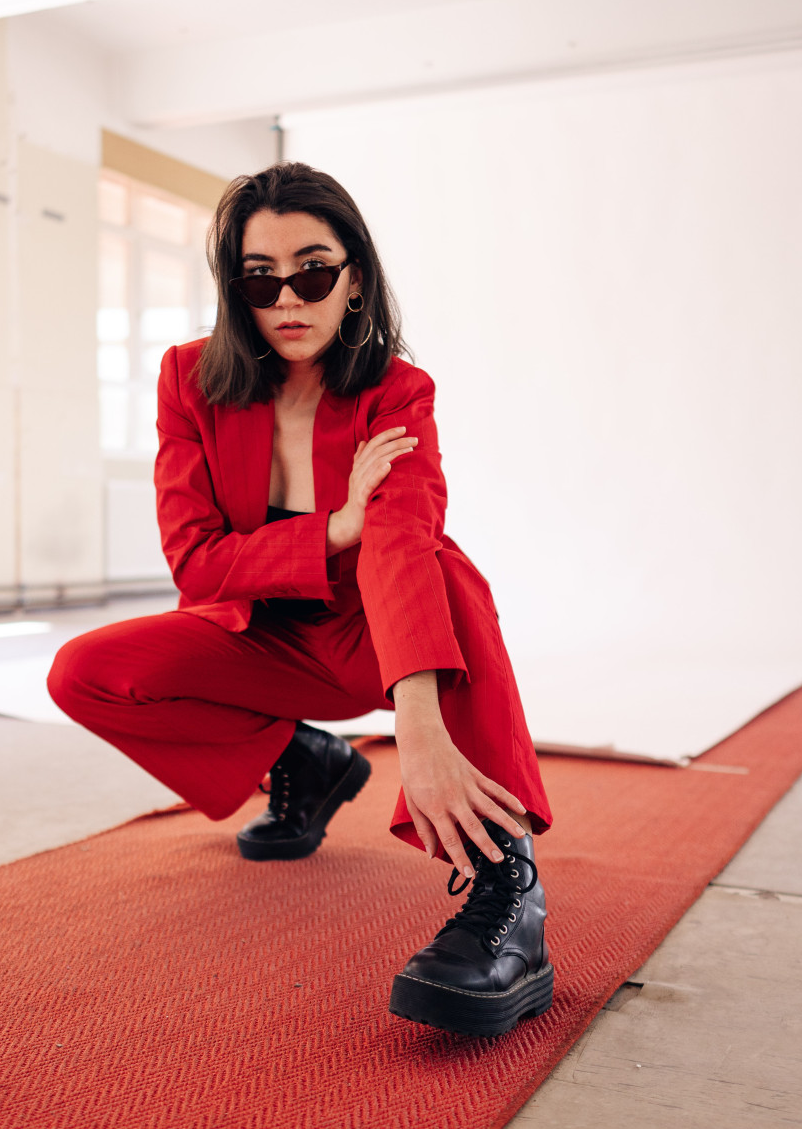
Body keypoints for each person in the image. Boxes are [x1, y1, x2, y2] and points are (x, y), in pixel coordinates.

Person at [48, 161, 554, 1039]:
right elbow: (195, 562)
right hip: (264, 644)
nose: (288, 299)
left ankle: (511, 889)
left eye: (313, 272)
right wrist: (333, 528)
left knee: (447, 574)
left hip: (375, 638)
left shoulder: (395, 391)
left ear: (354, 278)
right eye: (260, 278)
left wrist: (419, 730)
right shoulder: (188, 380)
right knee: (84, 671)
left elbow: (399, 546)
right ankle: (304, 762)